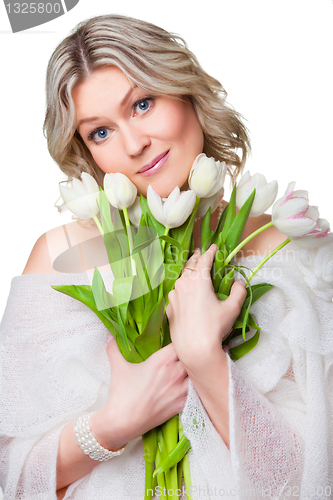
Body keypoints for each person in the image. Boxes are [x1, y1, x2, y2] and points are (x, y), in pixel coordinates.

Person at [0, 14, 332, 500]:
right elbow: (9, 466)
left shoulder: (287, 245)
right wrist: (114, 425)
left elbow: (312, 477)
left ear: (184, 90)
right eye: (100, 132)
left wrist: (204, 359)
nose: (135, 145)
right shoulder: (62, 257)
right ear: (86, 154)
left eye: (142, 103)